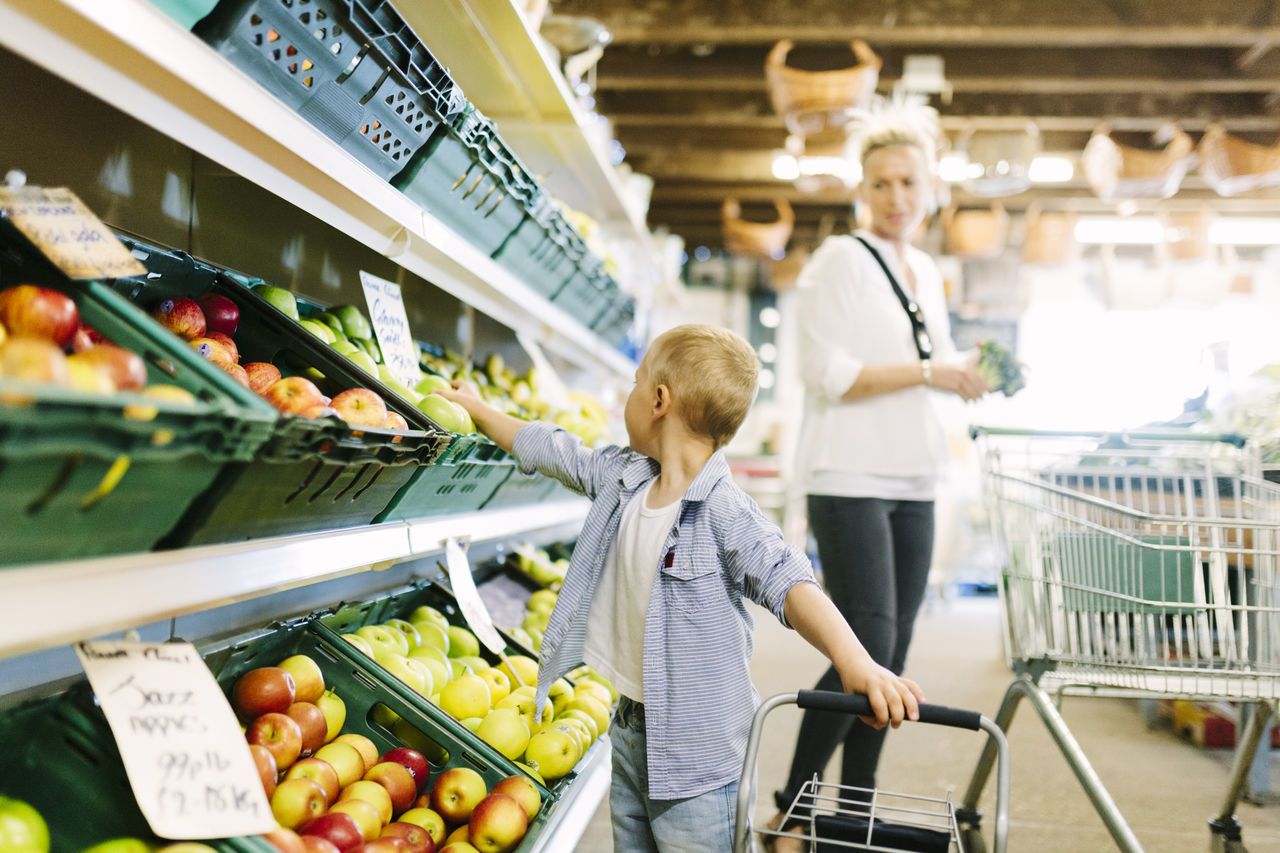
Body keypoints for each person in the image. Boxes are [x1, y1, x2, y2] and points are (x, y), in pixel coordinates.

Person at [439, 324, 924, 852]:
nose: (630, 392)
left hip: (699, 753)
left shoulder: (723, 511)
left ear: (659, 401)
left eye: (636, 380)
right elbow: (558, 451)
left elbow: (788, 579)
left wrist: (856, 663)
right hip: (629, 726)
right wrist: (482, 411)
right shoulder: (625, 478)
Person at [769, 102, 988, 850]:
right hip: (849, 472)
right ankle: (794, 810)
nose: (896, 196)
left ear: (931, 191)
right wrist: (934, 369)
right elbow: (826, 373)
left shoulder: (925, 270)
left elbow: (934, 370)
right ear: (863, 188)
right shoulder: (840, 260)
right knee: (863, 646)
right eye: (882, 182)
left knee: (890, 659)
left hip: (915, 477)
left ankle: (852, 816)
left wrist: (966, 377)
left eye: (909, 182)